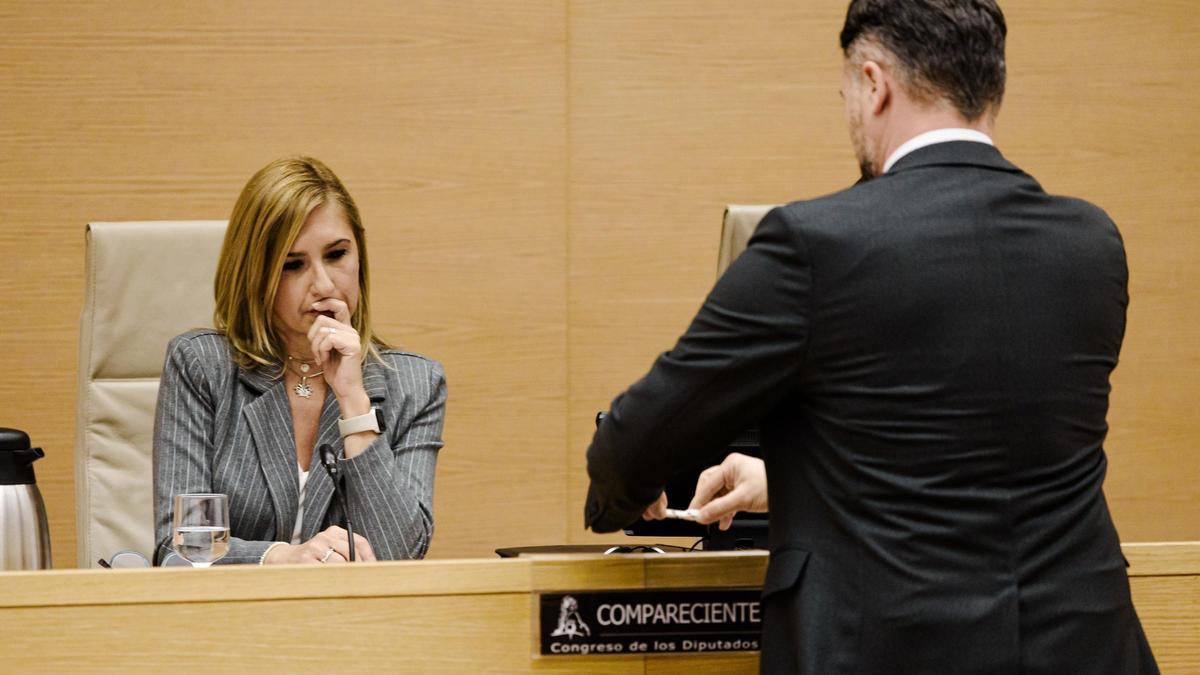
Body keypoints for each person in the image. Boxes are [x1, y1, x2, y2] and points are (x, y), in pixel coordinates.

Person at [584, 1, 1158, 672]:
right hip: (1088, 649)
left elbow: (634, 445)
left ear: (874, 83)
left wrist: (632, 494)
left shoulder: (817, 245)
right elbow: (970, 449)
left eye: (847, 96)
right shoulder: (1091, 245)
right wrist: (789, 481)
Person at [153, 157, 446, 565]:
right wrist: (281, 558)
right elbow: (184, 548)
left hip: (353, 607)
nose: (324, 285)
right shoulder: (203, 367)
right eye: (293, 265)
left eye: (337, 255)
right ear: (255, 275)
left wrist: (354, 401)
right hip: (233, 605)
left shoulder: (415, 383)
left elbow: (399, 555)